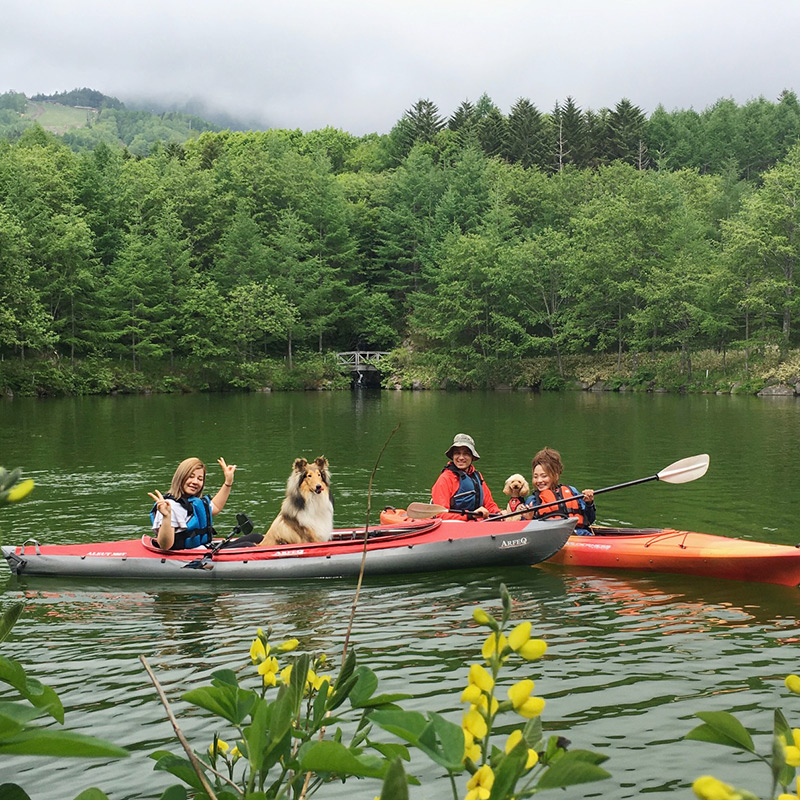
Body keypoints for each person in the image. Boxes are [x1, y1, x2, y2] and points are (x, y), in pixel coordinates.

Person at [148, 457, 236, 550]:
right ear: (181, 477)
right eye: (191, 476)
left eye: (200, 479)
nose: (195, 482)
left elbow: (216, 507)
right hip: (185, 555)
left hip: (203, 548)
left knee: (252, 538)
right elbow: (165, 546)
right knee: (249, 544)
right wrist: (166, 516)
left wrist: (228, 482)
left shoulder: (193, 502)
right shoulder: (169, 505)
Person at [522, 447, 595, 534]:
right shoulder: (532, 500)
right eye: (535, 476)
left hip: (580, 534)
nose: (539, 480)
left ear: (556, 475)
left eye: (544, 476)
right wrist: (528, 519)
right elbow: (524, 532)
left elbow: (590, 520)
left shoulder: (572, 491)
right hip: (552, 537)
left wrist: (589, 503)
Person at [430, 433, 500, 520]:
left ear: (472, 457)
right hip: (455, 526)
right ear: (452, 456)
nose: (461, 458)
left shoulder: (477, 476)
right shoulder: (445, 479)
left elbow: (489, 505)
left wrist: (498, 513)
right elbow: (440, 514)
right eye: (457, 453)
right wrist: (470, 515)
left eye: (466, 454)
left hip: (477, 524)